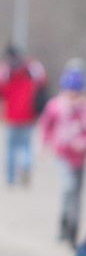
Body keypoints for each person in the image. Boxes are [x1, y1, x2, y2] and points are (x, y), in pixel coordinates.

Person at [38, 63, 86, 244]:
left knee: (78, 193)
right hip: (62, 154)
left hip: (80, 157)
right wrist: (44, 144)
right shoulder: (55, 106)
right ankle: (65, 223)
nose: (72, 95)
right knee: (68, 187)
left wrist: (84, 143)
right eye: (69, 91)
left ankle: (74, 229)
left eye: (76, 91)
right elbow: (46, 126)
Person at [1, 44, 47, 187]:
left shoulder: (6, 71)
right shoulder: (30, 69)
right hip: (27, 114)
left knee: (10, 148)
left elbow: (2, 90)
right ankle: (26, 166)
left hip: (11, 116)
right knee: (26, 146)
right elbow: (42, 81)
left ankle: (10, 178)